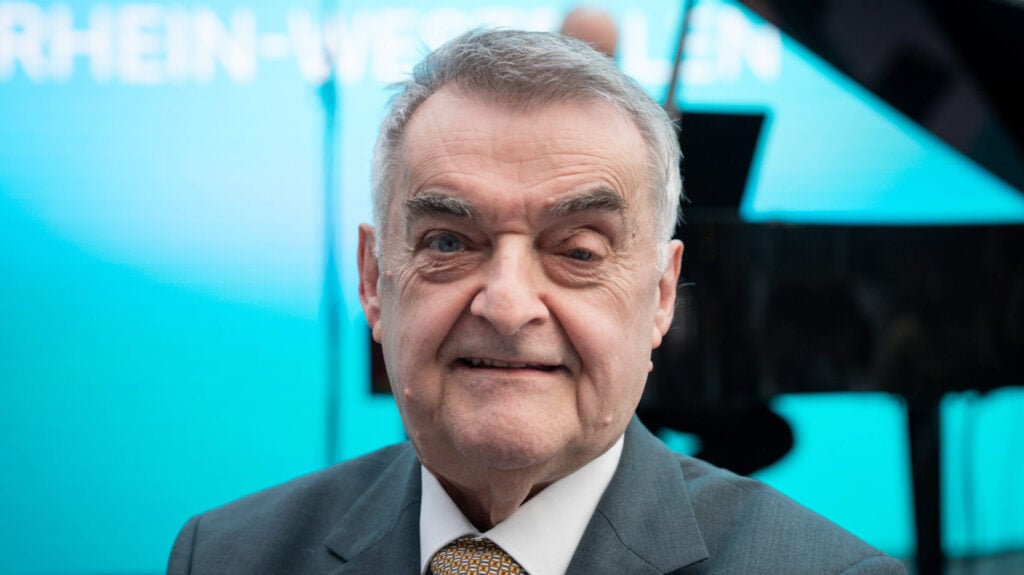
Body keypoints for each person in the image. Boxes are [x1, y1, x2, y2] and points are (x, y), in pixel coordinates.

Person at [168, 29, 906, 574]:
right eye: (449, 242)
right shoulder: (225, 557)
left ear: (660, 297)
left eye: (578, 251)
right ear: (372, 279)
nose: (508, 305)